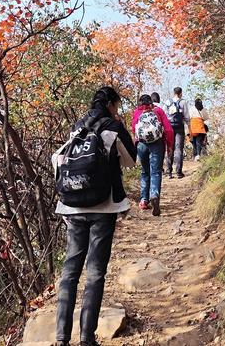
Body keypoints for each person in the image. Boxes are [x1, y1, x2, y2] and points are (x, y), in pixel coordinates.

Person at [53, 86, 137, 346]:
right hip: (103, 206)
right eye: (117, 105)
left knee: (69, 272)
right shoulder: (112, 127)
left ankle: (61, 339)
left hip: (72, 206)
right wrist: (120, 128)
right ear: (111, 104)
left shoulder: (78, 126)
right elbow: (130, 160)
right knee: (95, 273)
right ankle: (87, 339)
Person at [132, 93, 173, 216]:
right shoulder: (158, 111)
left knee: (145, 172)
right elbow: (168, 129)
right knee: (156, 172)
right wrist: (169, 145)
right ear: (151, 103)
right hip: (157, 144)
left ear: (140, 103)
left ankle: (144, 200)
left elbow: (134, 129)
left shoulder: (136, 112)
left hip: (142, 144)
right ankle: (154, 195)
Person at [165, 86, 190, 179]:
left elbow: (164, 114)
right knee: (179, 148)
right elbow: (186, 116)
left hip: (169, 127)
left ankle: (169, 172)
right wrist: (189, 127)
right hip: (179, 127)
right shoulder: (183, 102)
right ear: (181, 93)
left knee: (170, 148)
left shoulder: (168, 102)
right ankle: (179, 172)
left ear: (174, 93)